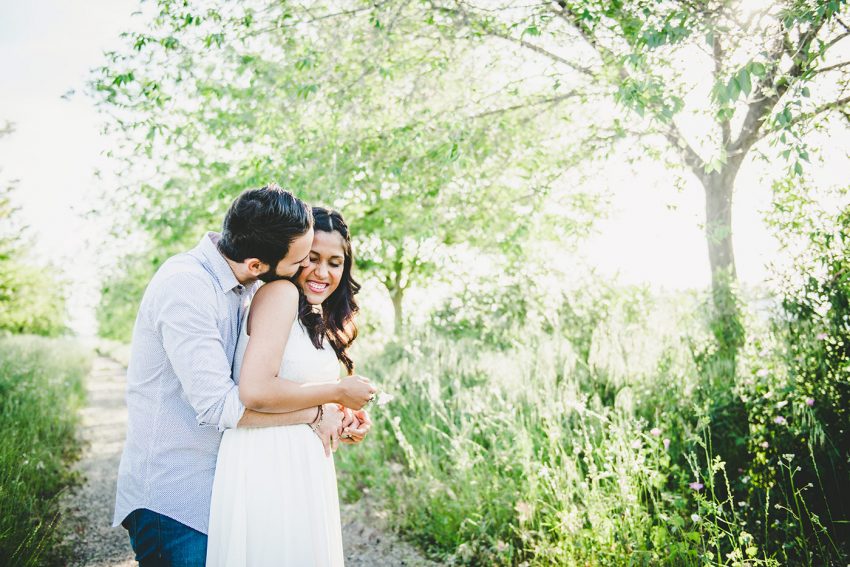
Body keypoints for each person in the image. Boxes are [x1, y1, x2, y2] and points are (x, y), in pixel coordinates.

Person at [112, 186, 375, 566]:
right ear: (257, 264)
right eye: (301, 259)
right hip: (177, 496)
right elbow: (224, 404)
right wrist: (320, 412)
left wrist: (333, 408)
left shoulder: (246, 286)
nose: (309, 270)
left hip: (232, 484)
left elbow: (272, 376)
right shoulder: (186, 285)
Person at [206, 207, 369, 566]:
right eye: (312, 259)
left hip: (303, 459)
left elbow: (296, 389)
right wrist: (336, 393)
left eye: (335, 262)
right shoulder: (279, 293)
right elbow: (256, 391)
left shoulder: (314, 312)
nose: (323, 273)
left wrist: (341, 415)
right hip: (267, 459)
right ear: (293, 257)